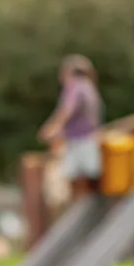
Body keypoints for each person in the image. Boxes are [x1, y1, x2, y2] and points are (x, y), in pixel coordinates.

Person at [38, 54, 104, 201]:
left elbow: (67, 110)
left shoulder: (76, 87)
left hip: (80, 140)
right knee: (89, 176)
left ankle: (82, 209)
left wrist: (51, 129)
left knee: (76, 178)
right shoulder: (88, 87)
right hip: (88, 137)